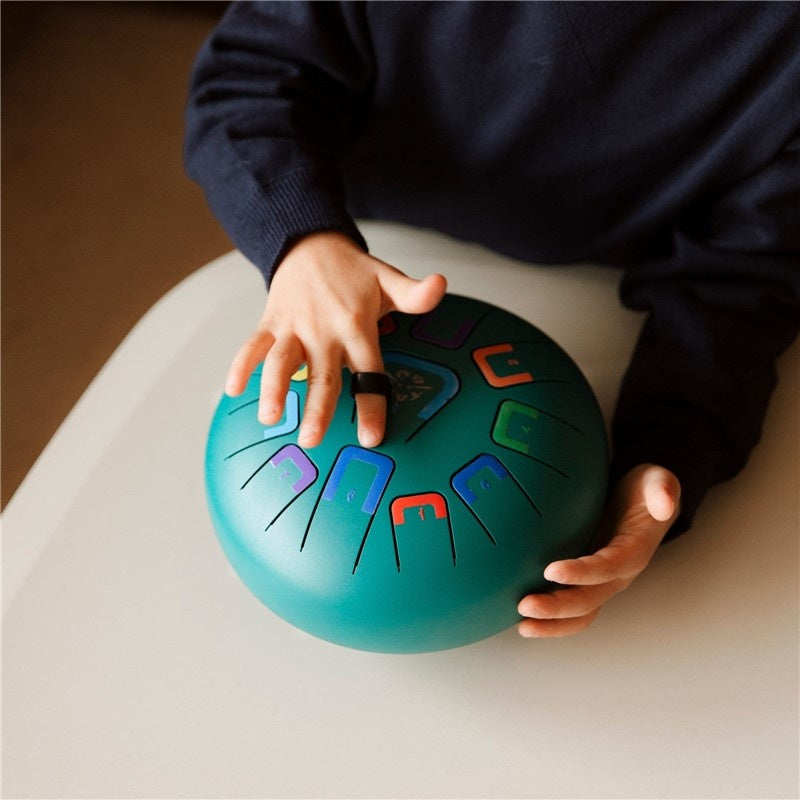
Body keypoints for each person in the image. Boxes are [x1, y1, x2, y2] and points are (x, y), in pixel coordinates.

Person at [184, 1, 800, 638]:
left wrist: (666, 449)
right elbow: (247, 79)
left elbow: (742, 282)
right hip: (354, 229)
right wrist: (303, 239)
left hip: (604, 276)